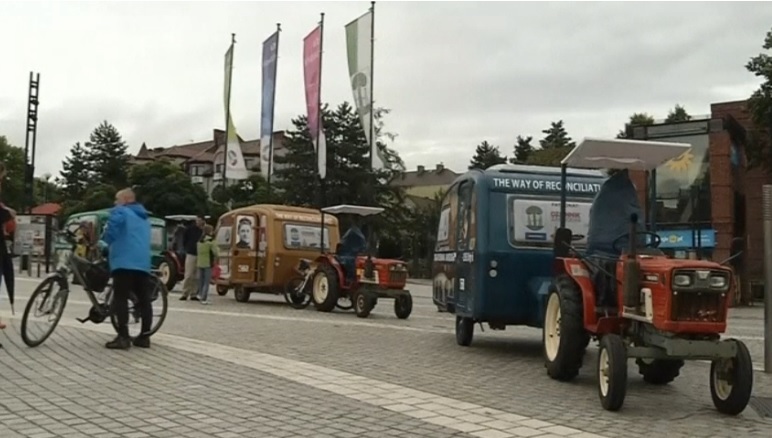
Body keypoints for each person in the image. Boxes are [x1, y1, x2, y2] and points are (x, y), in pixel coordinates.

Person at [101, 188, 153, 349]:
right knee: (144, 299)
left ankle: (123, 337)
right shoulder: (144, 217)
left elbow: (112, 230)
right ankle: (144, 337)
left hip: (123, 261)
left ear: (125, 199)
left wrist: (103, 243)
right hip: (143, 263)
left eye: (117, 200)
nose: (115, 203)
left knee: (120, 297)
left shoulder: (121, 211)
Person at [179, 216, 204, 300]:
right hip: (191, 253)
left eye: (200, 220)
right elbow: (184, 239)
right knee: (188, 275)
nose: (198, 222)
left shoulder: (203, 231)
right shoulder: (190, 229)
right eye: (198, 220)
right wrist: (186, 248)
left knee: (197, 276)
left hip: (200, 254)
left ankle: (194, 293)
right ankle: (185, 293)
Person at [196, 224, 219, 304]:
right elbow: (216, 253)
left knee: (201, 280)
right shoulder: (211, 241)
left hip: (200, 262)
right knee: (206, 281)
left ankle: (199, 294)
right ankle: (204, 298)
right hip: (208, 263)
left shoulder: (199, 240)